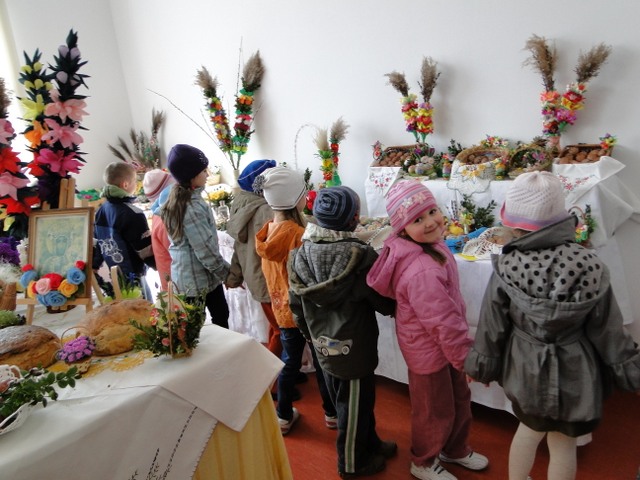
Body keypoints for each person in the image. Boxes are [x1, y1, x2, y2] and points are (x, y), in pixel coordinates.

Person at [464, 171, 640, 480]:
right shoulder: (590, 264)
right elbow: (608, 329)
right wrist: (628, 371)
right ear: (561, 218)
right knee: (563, 445)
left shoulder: (506, 266)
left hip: (526, 368)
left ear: (511, 223)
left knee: (527, 431)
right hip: (575, 371)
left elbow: (492, 325)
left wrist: (482, 366)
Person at [366, 180, 489, 480]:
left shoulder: (432, 247)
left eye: (432, 211)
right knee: (433, 410)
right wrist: (464, 358)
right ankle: (423, 461)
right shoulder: (421, 269)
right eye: (417, 220)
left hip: (445, 345)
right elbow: (441, 320)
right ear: (402, 229)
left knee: (458, 398)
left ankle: (454, 449)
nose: (431, 222)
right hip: (428, 350)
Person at [288, 186, 398, 479]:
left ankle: (370, 443)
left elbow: (295, 304)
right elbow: (380, 298)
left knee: (354, 401)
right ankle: (351, 463)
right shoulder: (360, 256)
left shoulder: (299, 255)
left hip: (322, 343)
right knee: (353, 407)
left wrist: (308, 334)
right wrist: (395, 306)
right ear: (354, 219)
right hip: (355, 347)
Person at [254, 166, 336, 435]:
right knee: (322, 361)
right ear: (296, 199)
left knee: (289, 362)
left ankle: (283, 415)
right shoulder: (298, 235)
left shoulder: (267, 231)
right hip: (306, 310)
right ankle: (332, 413)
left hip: (283, 310)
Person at [161, 144, 229, 328]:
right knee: (199, 329)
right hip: (194, 283)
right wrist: (227, 274)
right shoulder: (190, 207)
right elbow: (205, 250)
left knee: (220, 316)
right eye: (203, 171)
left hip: (203, 279)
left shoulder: (187, 199)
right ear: (191, 176)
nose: (207, 174)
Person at [225, 159, 282, 357]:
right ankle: (274, 373)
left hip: (257, 278)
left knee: (276, 326)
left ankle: (280, 367)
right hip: (270, 280)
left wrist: (234, 276)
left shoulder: (242, 204)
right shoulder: (266, 210)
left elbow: (239, 248)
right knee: (282, 330)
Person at [93, 161, 156, 300]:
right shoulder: (133, 213)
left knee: (123, 310)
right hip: (134, 276)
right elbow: (145, 249)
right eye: (135, 181)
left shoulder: (101, 210)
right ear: (125, 185)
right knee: (143, 310)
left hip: (114, 276)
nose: (137, 184)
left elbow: (98, 242)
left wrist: (95, 264)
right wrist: (160, 267)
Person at [143, 168, 175, 291]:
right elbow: (174, 252)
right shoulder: (166, 220)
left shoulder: (158, 213)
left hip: (170, 279)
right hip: (175, 282)